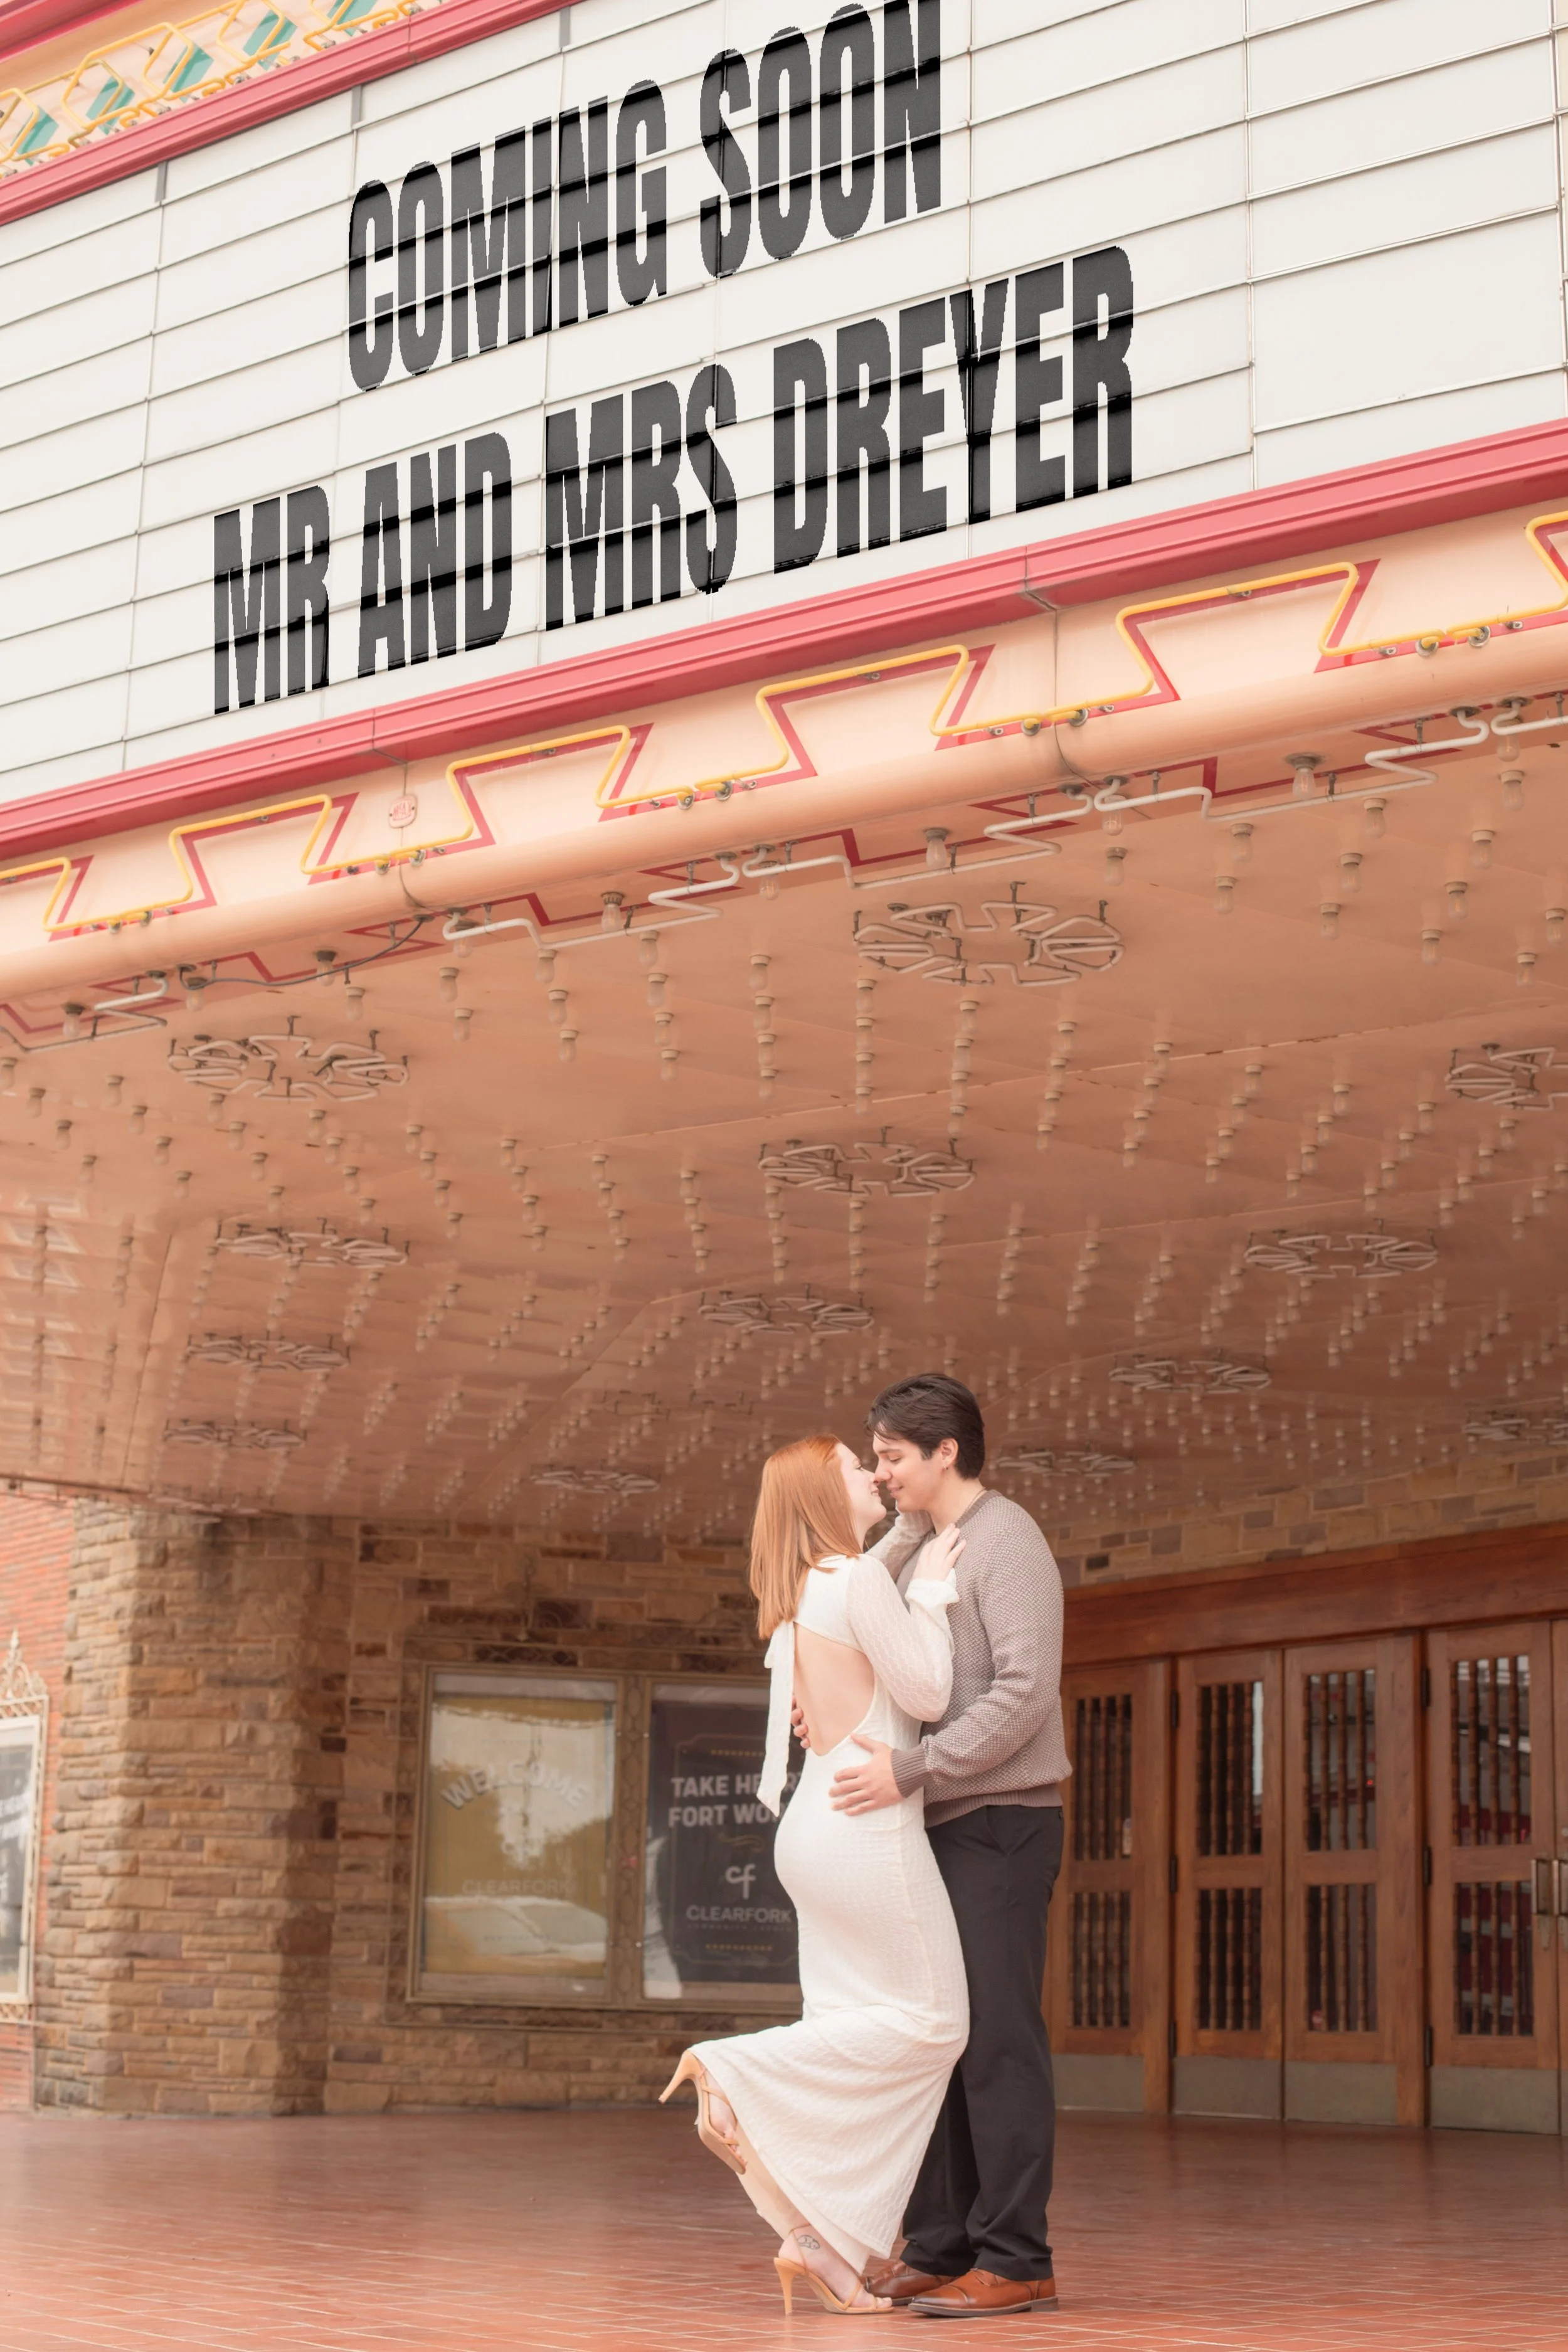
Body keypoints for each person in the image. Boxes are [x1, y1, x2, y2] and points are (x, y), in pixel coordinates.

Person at [660, 1432, 969, 2314]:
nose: (872, 1474)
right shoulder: (858, 1578)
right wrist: (938, 1593)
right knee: (936, 2023)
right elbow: (929, 1694)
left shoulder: (802, 1595)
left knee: (853, 2022)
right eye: (852, 1466)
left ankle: (824, 2246)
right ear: (822, 1496)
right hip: (866, 1828)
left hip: (814, 1828)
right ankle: (732, 2070)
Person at [832, 1372, 1067, 2319]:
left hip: (1003, 1823)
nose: (882, 1471)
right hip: (937, 1828)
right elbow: (858, 1604)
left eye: (894, 1454)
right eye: (876, 1455)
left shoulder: (1008, 1540)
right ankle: (940, 2244)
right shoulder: (922, 1539)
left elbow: (1025, 1694)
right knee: (937, 2038)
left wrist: (916, 1767)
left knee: (999, 2043)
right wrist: (902, 1529)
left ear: (946, 1453)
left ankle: (1017, 2256)